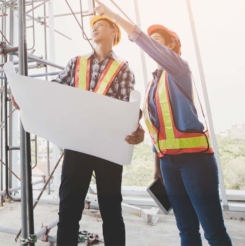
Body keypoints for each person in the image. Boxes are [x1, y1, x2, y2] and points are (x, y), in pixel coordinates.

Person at [94, 1, 232, 246]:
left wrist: (115, 16)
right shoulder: (153, 85)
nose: (152, 42)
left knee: (213, 231)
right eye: (152, 39)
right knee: (186, 230)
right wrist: (158, 164)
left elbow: (142, 41)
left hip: (195, 161)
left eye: (158, 40)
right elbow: (157, 128)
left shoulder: (180, 70)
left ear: (171, 46)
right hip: (169, 164)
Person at [12, 14, 145, 246]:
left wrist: (137, 125)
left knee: (112, 213)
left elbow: (128, 108)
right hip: (78, 145)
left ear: (114, 32)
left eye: (100, 25)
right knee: (69, 212)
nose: (94, 28)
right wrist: (27, 97)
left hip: (108, 148)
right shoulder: (77, 63)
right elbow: (53, 91)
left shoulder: (123, 69)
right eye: (93, 26)